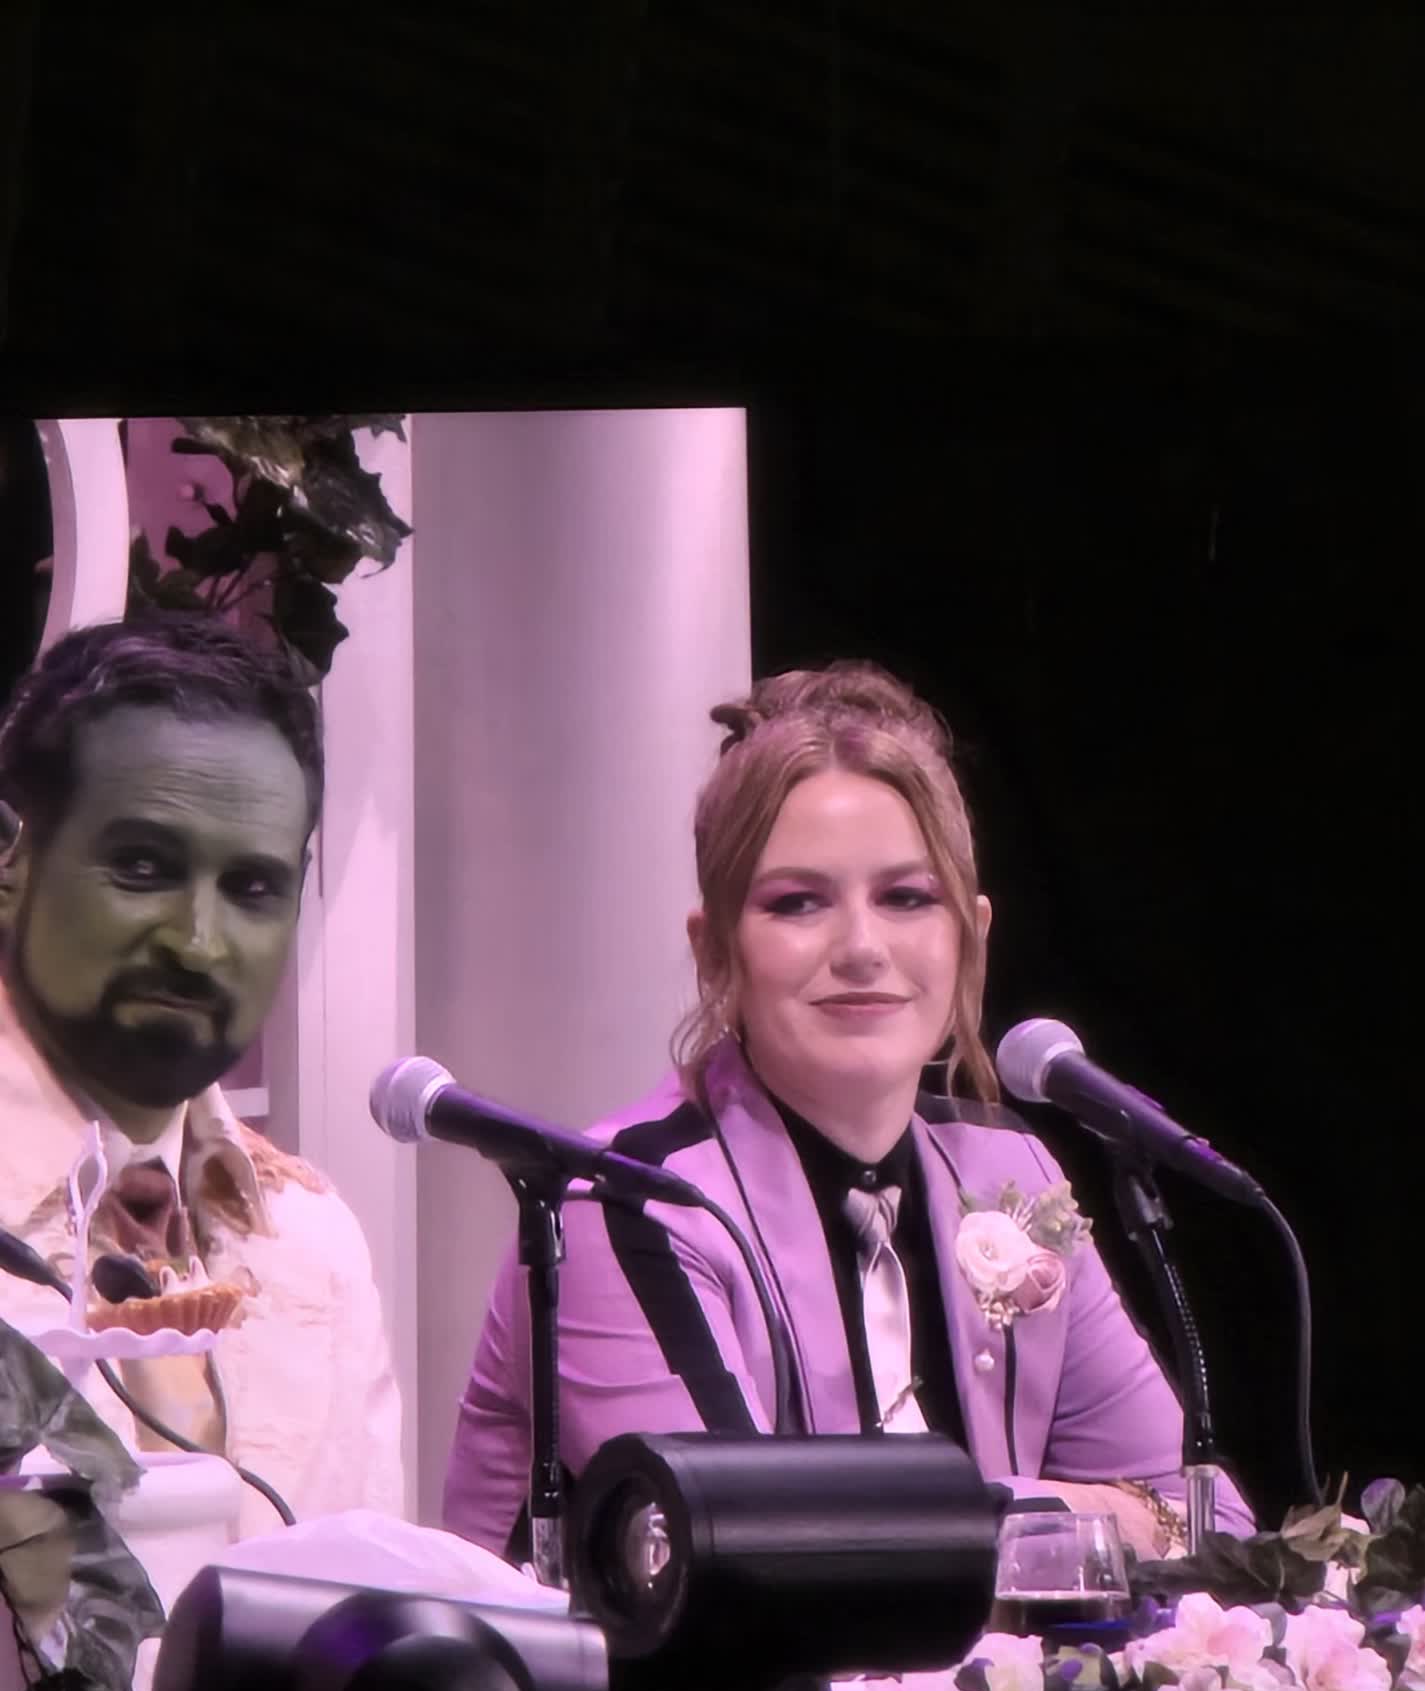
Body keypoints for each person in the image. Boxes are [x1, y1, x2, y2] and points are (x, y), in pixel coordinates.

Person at [443, 661, 1253, 1566]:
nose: (862, 948)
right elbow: (752, 1557)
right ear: (714, 952)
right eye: (797, 903)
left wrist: (993, 1521)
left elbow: (1210, 1527)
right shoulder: (623, 1202)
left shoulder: (1009, 1176)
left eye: (906, 898)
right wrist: (1080, 1517)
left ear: (971, 936)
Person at [0, 613, 403, 1538]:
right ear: (12, 863)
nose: (197, 943)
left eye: (252, 889)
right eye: (143, 868)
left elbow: (364, 1608)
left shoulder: (312, 1244)